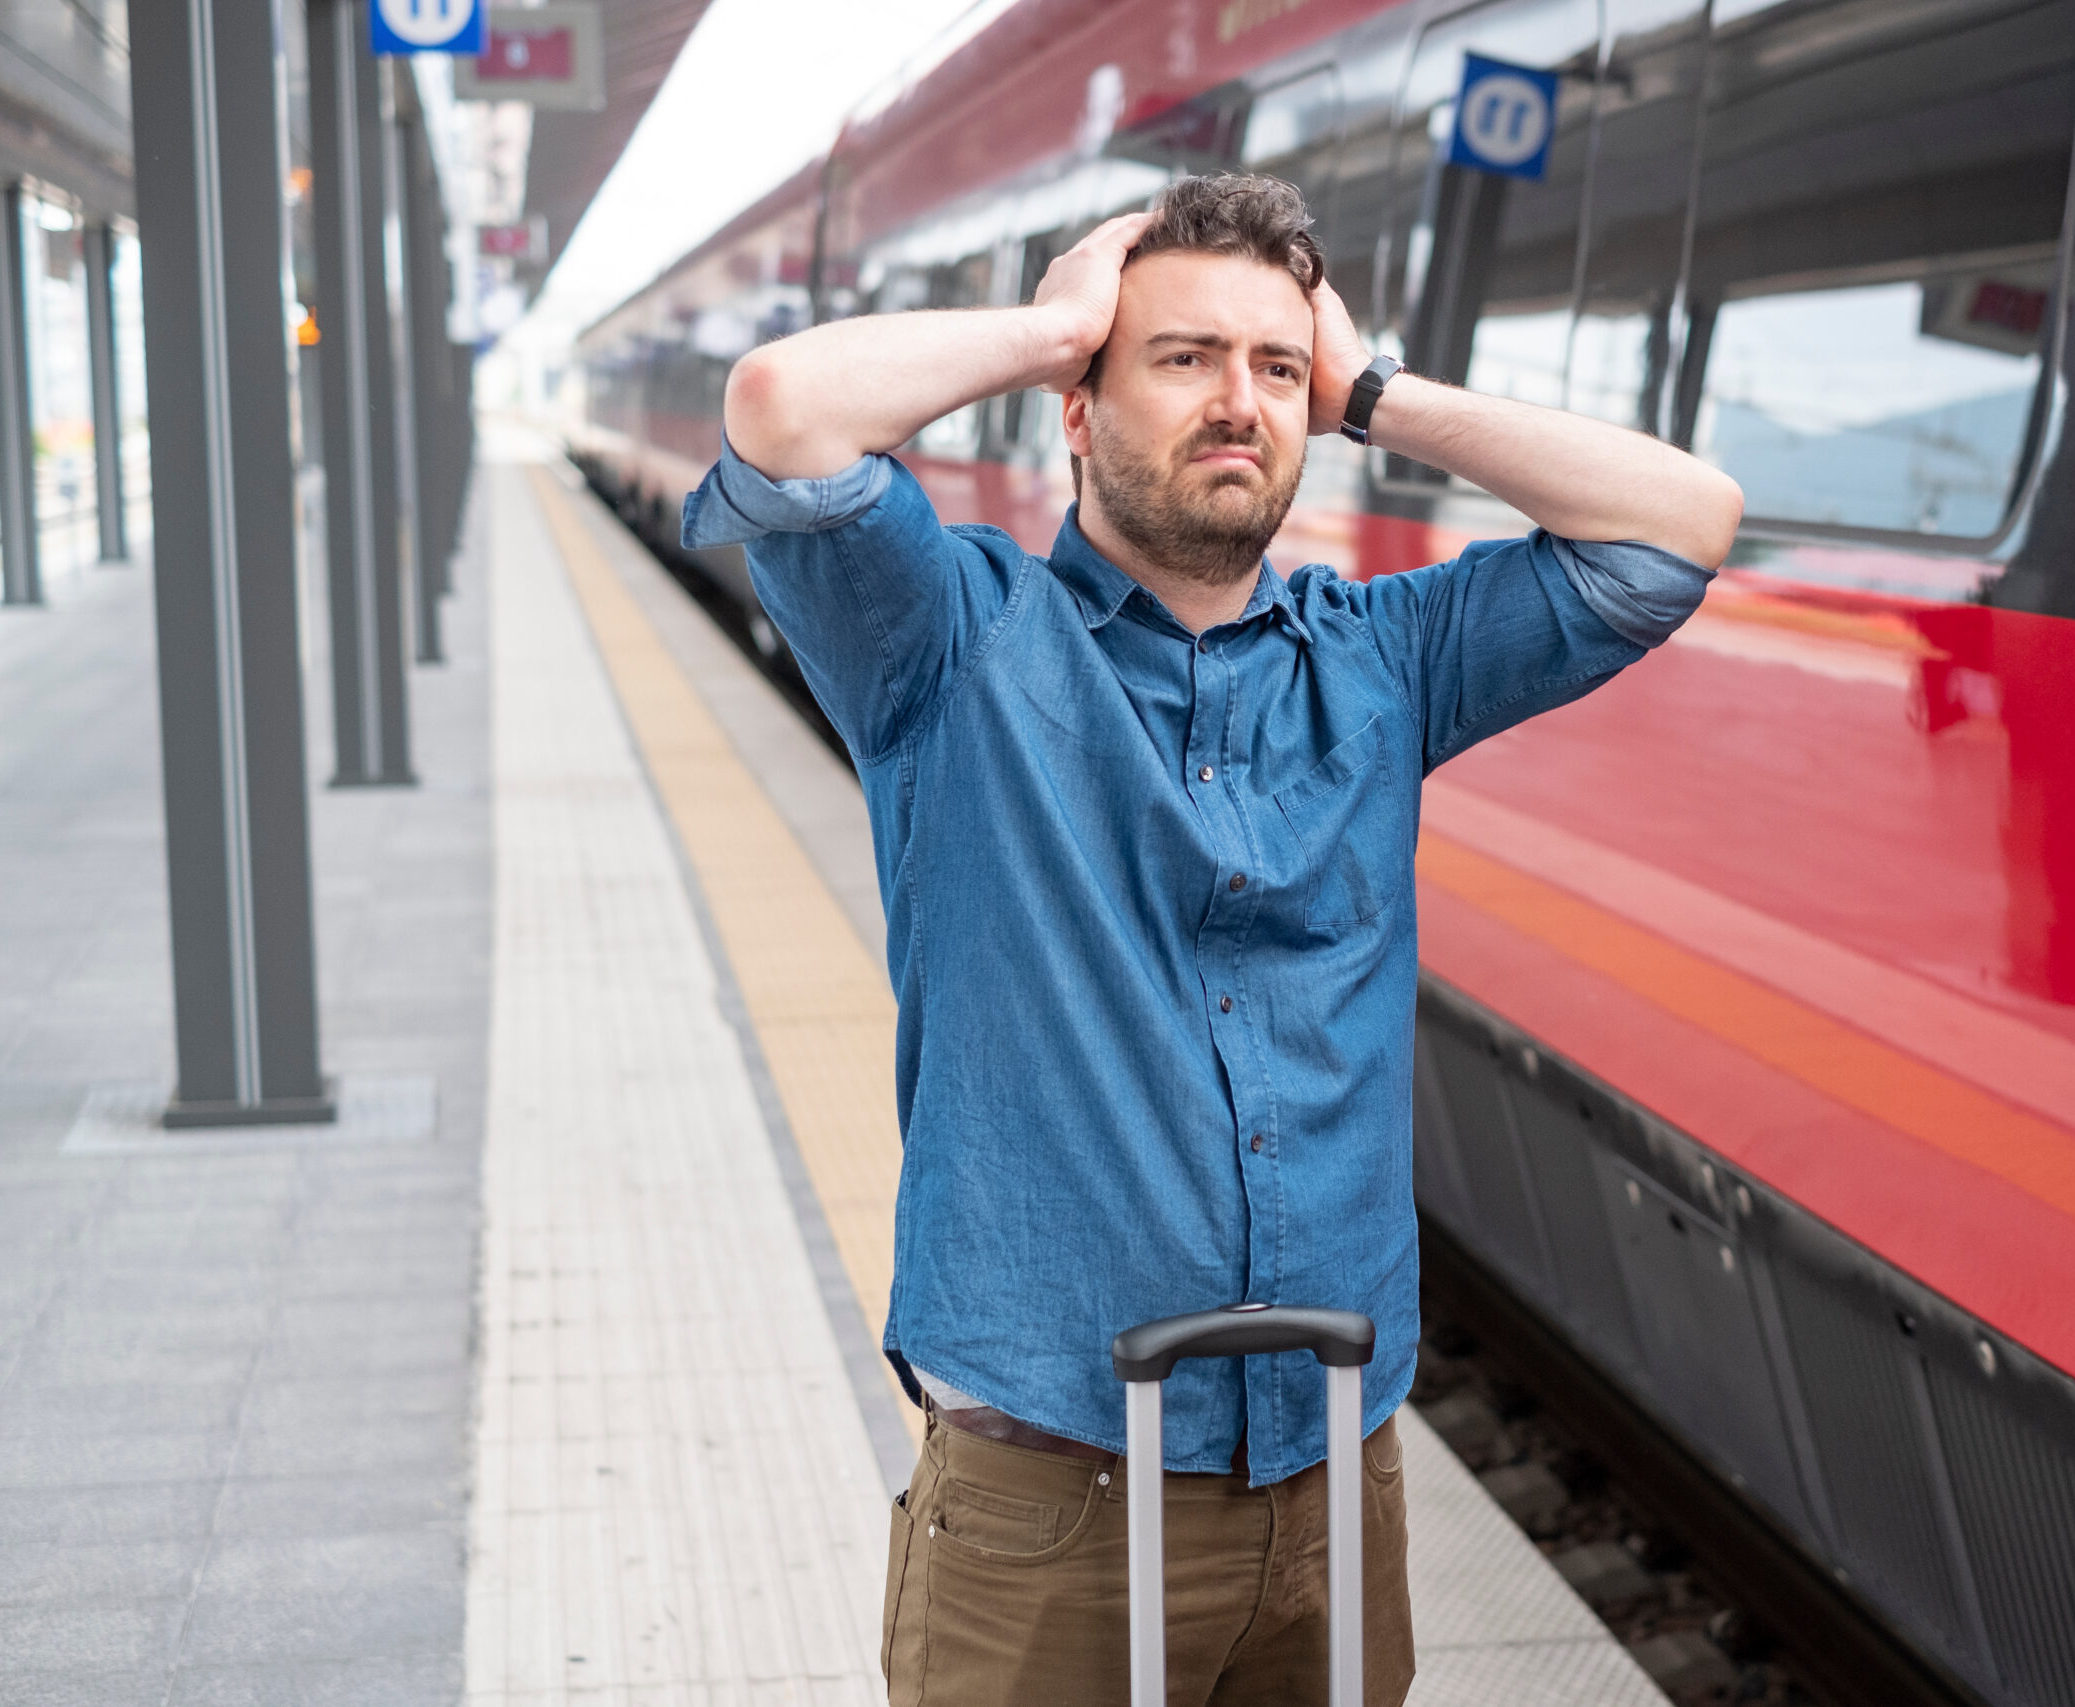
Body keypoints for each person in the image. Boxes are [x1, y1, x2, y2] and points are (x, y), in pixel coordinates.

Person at [684, 173, 1741, 1706]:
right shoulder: (952, 642)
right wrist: (1056, 318)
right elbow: (783, 409)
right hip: (1057, 1502)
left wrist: (1374, 387)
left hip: (1336, 1483)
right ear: (1076, 404)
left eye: (1273, 367)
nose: (1239, 401)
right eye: (1180, 358)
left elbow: (1675, 531)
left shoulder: (1384, 659)